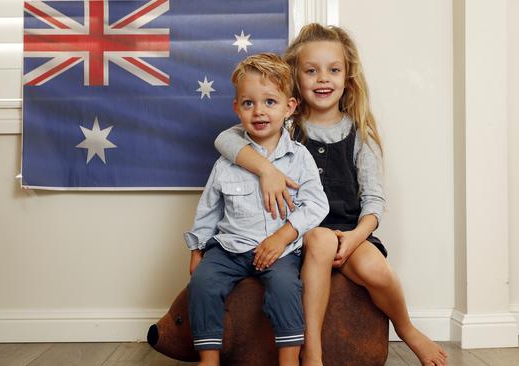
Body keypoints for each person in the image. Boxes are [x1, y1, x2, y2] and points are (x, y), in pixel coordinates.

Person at [214, 24, 448, 366]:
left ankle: (407, 328)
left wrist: (356, 237)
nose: (323, 79)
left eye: (333, 70)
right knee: (320, 239)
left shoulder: (360, 134)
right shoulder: (284, 125)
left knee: (377, 270)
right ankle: (314, 354)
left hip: (349, 232)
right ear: (296, 77)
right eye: (311, 71)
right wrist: (267, 170)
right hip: (298, 231)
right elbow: (225, 140)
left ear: (347, 76)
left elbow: (373, 201)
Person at [185, 53, 330, 366]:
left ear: (289, 107)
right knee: (202, 284)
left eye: (270, 102)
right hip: (230, 248)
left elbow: (316, 203)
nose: (259, 111)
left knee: (286, 287)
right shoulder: (227, 162)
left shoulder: (299, 157)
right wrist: (197, 250)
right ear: (237, 108)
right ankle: (208, 359)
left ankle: (289, 359)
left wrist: (283, 236)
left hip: (279, 251)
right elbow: (209, 208)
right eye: (249, 103)